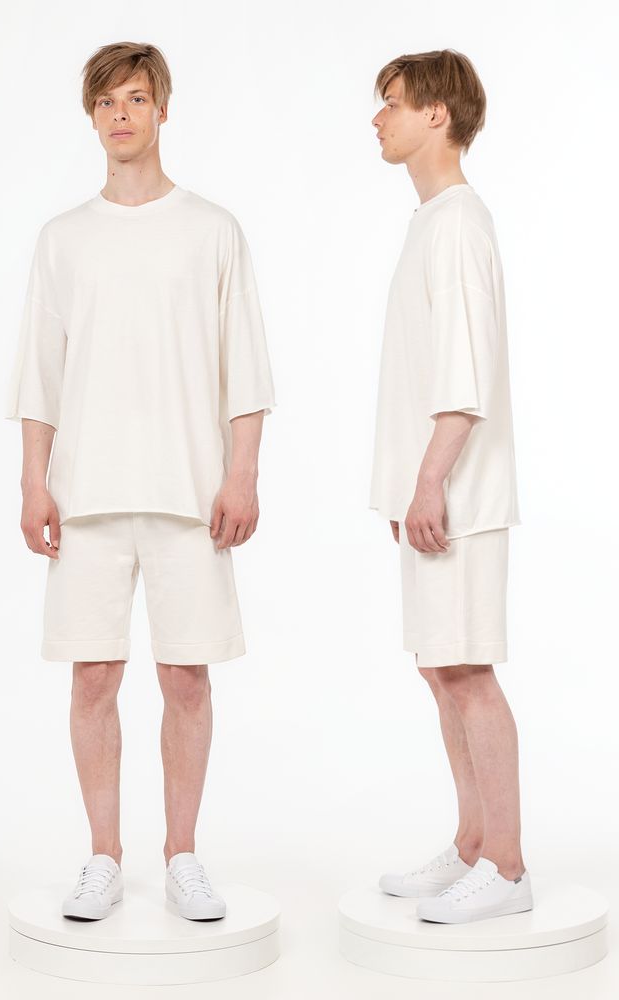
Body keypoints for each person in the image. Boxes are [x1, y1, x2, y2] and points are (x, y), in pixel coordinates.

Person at [8, 42, 274, 922]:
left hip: (189, 492)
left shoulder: (212, 229)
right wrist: (33, 481)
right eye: (106, 102)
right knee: (92, 678)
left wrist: (243, 474)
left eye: (135, 98)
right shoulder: (63, 238)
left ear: (162, 109)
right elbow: (39, 374)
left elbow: (246, 368)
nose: (120, 115)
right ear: (91, 117)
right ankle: (103, 857)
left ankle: (183, 855)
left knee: (187, 678)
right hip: (86, 493)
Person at [369, 49, 530, 923]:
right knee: (441, 670)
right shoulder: (431, 221)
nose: (378, 117)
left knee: (468, 672)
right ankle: (473, 844)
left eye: (392, 102)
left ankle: (506, 868)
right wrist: (408, 487)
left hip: (459, 498)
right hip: (433, 497)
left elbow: (464, 380)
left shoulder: (460, 222)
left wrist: (430, 483)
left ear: (438, 114)